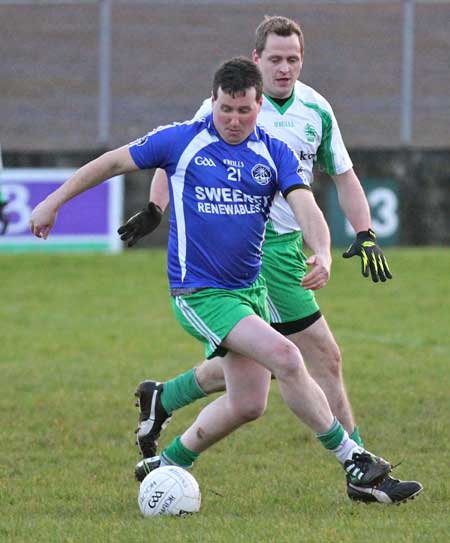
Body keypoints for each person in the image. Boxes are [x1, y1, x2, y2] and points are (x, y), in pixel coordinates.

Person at [30, 56, 418, 505]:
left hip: (248, 292)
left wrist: (324, 251)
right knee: (287, 357)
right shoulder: (182, 140)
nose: (234, 121)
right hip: (199, 291)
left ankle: (168, 463)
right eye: (226, 110)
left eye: (244, 111)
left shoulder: (273, 151)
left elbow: (306, 205)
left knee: (249, 403)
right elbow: (111, 162)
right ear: (212, 102)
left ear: (258, 106)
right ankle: (356, 463)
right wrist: (53, 202)